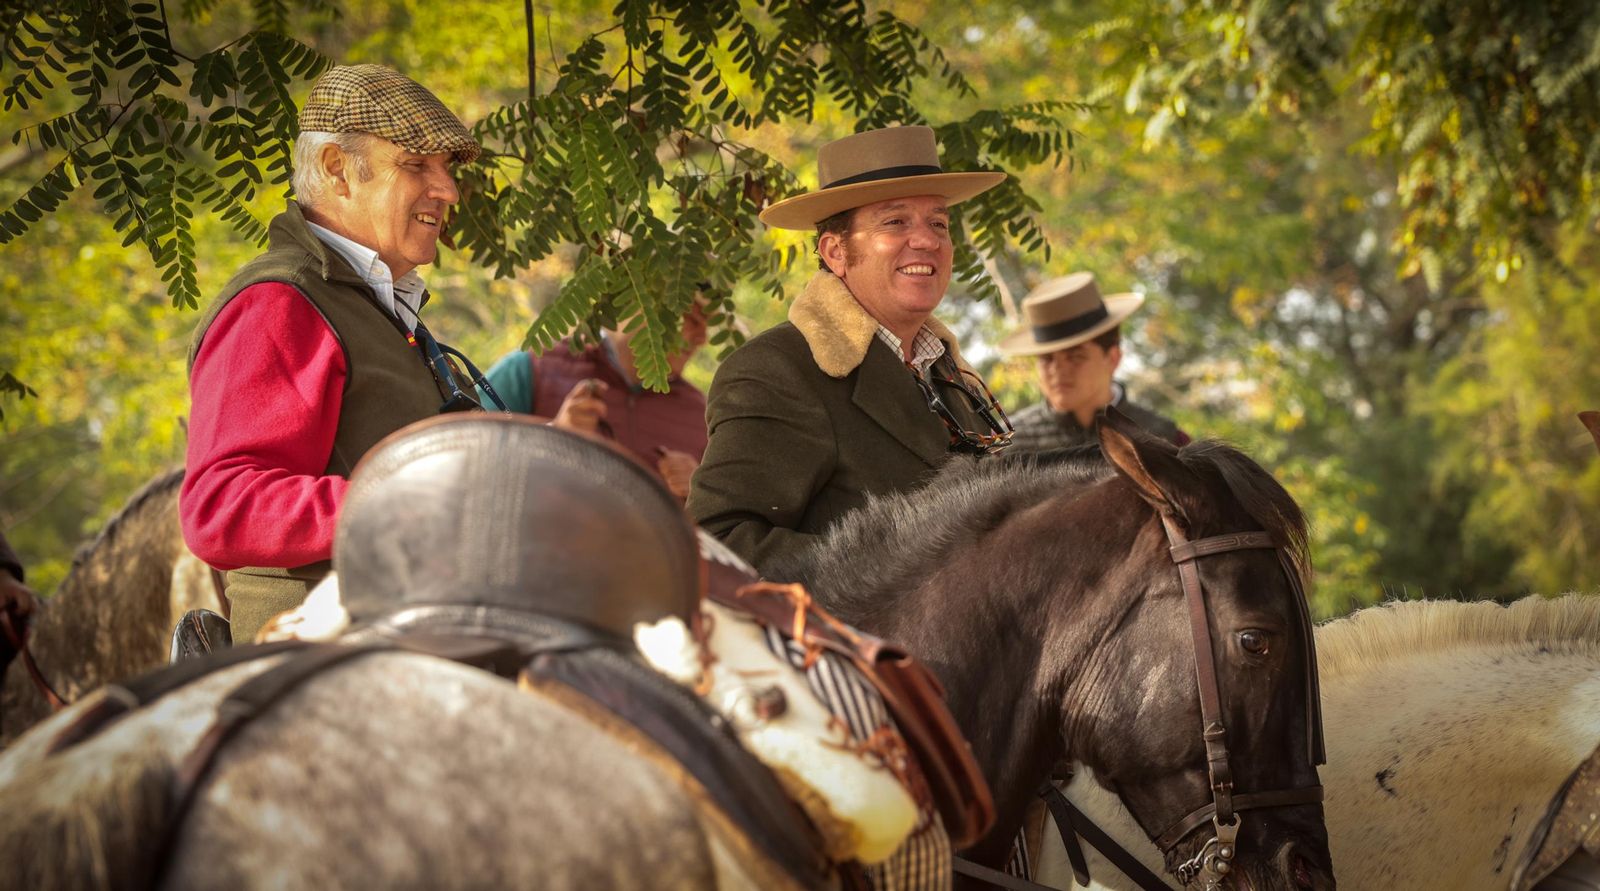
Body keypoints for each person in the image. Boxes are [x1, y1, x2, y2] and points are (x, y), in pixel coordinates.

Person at [180, 64, 488, 642]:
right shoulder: (280, 303)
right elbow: (221, 507)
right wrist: (410, 499)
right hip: (320, 664)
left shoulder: (372, 305)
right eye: (416, 165)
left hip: (415, 643)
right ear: (336, 169)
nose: (448, 190)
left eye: (446, 168)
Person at [689, 125, 1012, 573]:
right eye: (895, 222)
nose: (927, 240)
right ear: (835, 252)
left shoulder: (951, 377)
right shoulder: (778, 369)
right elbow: (717, 542)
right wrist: (893, 574)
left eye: (938, 223)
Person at [479, 296, 710, 500]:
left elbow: (714, 528)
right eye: (692, 320)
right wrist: (555, 437)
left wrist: (700, 492)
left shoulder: (704, 414)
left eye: (707, 323)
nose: (702, 338)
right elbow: (469, 463)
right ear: (641, 305)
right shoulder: (529, 369)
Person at [998, 272, 1189, 451]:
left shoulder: (1166, 440)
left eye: (1075, 357)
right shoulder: (1004, 447)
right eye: (1046, 359)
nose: (1057, 370)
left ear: (1113, 358)